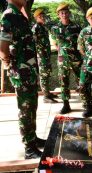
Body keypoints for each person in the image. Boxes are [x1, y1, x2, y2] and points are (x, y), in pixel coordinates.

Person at [0, 0, 46, 159]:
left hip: (29, 70)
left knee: (32, 106)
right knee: (26, 110)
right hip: (21, 71)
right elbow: (3, 46)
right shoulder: (9, 16)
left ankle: (33, 139)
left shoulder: (20, 14)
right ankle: (29, 148)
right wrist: (8, 63)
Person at [51, 3, 82, 114]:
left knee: (81, 81)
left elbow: (80, 42)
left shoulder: (76, 27)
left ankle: (87, 104)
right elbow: (55, 43)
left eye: (66, 12)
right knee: (64, 82)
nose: (64, 14)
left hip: (76, 59)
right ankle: (66, 105)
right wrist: (63, 51)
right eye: (61, 13)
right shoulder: (54, 28)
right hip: (62, 60)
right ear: (58, 15)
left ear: (69, 13)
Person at [32, 8, 58, 103]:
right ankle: (46, 97)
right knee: (43, 75)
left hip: (45, 55)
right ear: (36, 18)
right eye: (40, 16)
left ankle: (47, 93)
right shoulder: (36, 28)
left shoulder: (43, 27)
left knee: (46, 74)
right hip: (41, 56)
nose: (43, 17)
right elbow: (33, 42)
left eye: (43, 16)